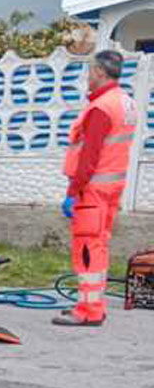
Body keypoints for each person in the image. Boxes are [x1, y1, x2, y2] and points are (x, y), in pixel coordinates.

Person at [54, 50, 136, 327]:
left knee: (88, 248)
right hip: (112, 187)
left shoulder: (101, 107)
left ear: (100, 72)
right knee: (99, 246)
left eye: (90, 71)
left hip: (92, 189)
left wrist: (73, 192)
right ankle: (90, 304)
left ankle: (89, 311)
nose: (87, 77)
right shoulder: (125, 103)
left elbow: (89, 155)